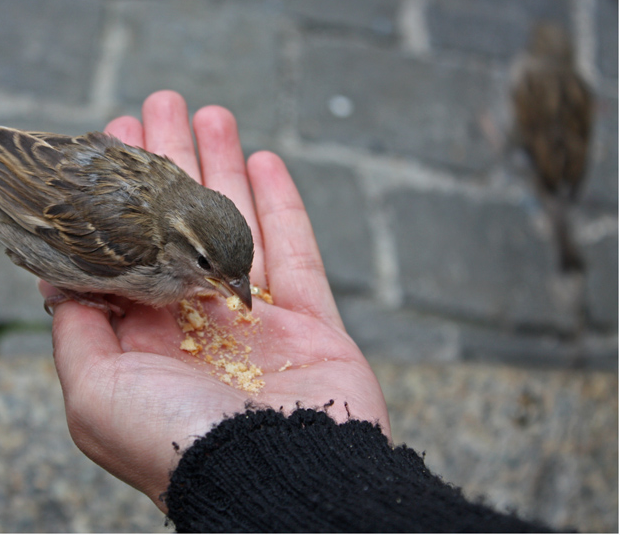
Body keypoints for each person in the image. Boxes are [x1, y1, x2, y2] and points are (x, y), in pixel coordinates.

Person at [38, 91, 550, 532]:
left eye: (237, 276)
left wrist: (255, 468)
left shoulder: (176, 223)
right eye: (210, 268)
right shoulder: (134, 240)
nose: (233, 294)